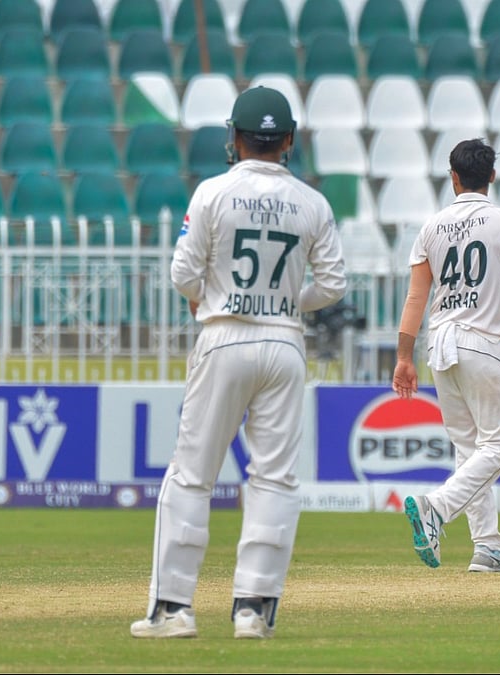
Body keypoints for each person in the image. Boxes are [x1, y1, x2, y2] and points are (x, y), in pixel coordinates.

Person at [130, 86, 347, 639]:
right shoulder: (312, 202)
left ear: (234, 138)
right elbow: (334, 285)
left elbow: (183, 274)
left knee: (191, 475)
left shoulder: (212, 193)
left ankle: (173, 609)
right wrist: (286, 302)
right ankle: (253, 609)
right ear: (290, 141)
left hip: (224, 334)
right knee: (273, 478)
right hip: (284, 343)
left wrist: (217, 297)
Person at [394, 138, 500, 573]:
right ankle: (437, 508)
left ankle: (487, 546)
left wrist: (404, 357)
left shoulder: (432, 226)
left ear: (454, 177)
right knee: (497, 447)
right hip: (484, 341)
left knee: (470, 450)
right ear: (493, 177)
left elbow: (415, 299)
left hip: (439, 344)